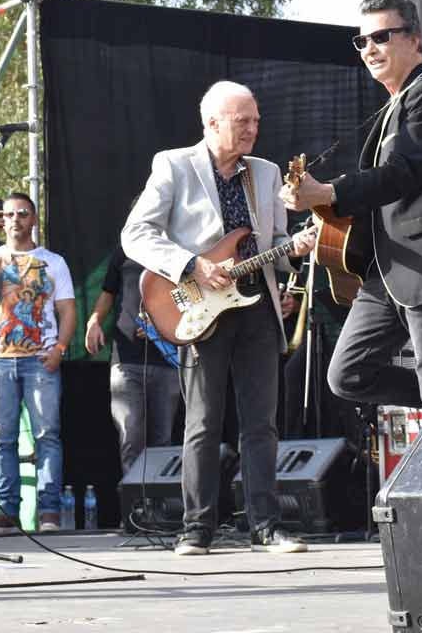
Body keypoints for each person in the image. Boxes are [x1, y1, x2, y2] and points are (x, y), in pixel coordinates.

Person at [122, 80, 316, 556]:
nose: (252, 129)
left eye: (256, 121)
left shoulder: (266, 172)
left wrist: (295, 249)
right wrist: (192, 265)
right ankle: (196, 528)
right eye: (241, 120)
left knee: (261, 423)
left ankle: (266, 526)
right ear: (211, 123)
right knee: (203, 422)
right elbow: (136, 234)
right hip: (200, 308)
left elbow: (274, 244)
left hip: (257, 307)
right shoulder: (173, 164)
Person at [280, 0, 422, 412]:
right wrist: (325, 214)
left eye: (381, 37)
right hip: (385, 272)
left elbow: (401, 174)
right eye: (362, 41)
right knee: (347, 375)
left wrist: (327, 192)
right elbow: (381, 192)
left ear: (415, 40)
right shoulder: (395, 105)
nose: (369, 48)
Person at [0, 192, 76, 535]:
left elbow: (68, 309)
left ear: (34, 219)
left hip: (40, 360)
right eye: (9, 214)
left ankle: (49, 512)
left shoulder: (53, 262)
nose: (15, 219)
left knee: (47, 436)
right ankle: (7, 511)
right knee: (3, 438)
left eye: (22, 213)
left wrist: (60, 348)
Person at [84, 243, 181, 476]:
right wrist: (94, 321)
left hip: (167, 358)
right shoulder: (125, 249)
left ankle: (159, 498)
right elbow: (108, 293)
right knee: (130, 436)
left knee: (163, 441)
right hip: (126, 358)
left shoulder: (178, 248)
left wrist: (161, 323)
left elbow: (191, 299)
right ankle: (133, 497)